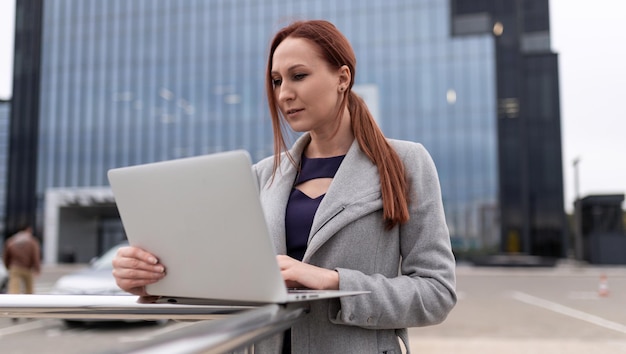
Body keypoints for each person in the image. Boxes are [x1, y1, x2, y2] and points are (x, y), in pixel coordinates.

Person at [112, 20, 456, 353]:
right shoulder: (260, 177)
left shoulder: (406, 163)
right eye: (276, 81)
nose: (284, 94)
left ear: (342, 78)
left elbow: (436, 293)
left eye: (299, 76)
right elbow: (228, 293)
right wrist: (156, 285)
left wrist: (334, 281)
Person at [3, 224, 41, 296]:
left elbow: (6, 256)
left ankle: (14, 305)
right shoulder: (32, 241)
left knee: (14, 290)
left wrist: (7, 266)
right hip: (27, 268)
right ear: (28, 230)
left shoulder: (11, 241)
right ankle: (28, 305)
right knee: (29, 290)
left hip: (14, 267)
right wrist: (37, 269)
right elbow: (36, 256)